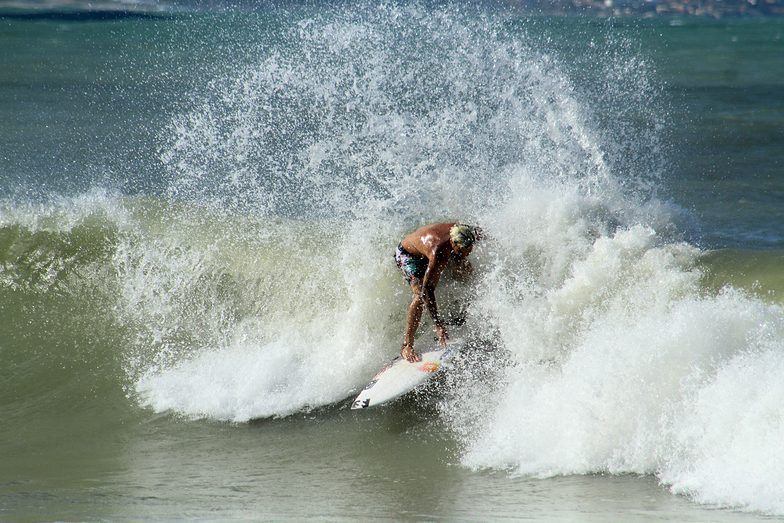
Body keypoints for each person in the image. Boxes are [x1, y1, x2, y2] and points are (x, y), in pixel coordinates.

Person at [394, 222, 479, 362]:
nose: (464, 255)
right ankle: (407, 345)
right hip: (409, 255)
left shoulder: (465, 231)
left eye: (467, 252)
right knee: (420, 294)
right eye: (460, 251)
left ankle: (467, 306)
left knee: (464, 266)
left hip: (431, 247)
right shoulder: (438, 253)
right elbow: (427, 292)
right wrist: (438, 325)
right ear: (452, 242)